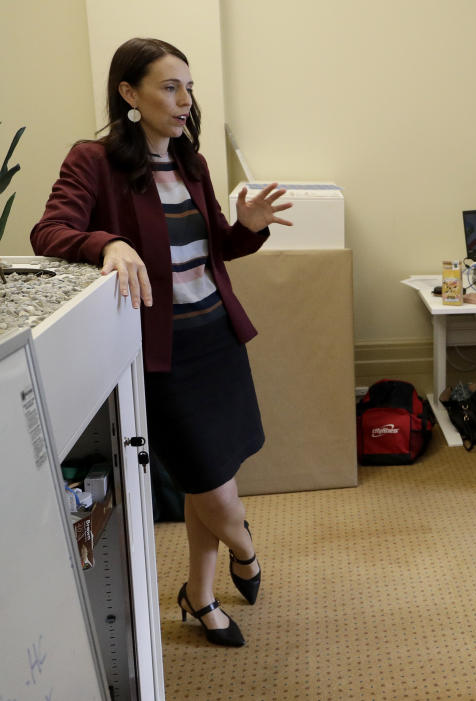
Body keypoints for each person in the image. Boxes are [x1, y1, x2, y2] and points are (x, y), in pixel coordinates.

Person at [31, 38, 292, 647]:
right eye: (169, 87)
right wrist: (106, 243)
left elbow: (211, 250)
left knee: (215, 474)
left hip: (218, 340)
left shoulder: (191, 162)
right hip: (162, 357)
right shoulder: (93, 161)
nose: (184, 100)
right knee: (213, 487)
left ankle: (199, 597)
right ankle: (245, 549)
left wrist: (247, 230)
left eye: (189, 87)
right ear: (129, 94)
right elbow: (49, 231)